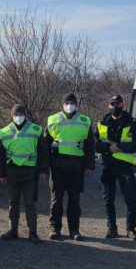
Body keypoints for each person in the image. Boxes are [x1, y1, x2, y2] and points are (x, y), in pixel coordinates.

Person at [0, 104, 49, 245]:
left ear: (25, 115)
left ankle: (33, 233)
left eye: (20, 113)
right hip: (12, 173)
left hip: (29, 173)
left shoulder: (36, 130)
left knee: (29, 203)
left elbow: (44, 152)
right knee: (13, 203)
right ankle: (13, 230)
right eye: (15, 114)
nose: (18, 116)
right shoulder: (4, 132)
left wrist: (44, 170)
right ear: (12, 115)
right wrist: (1, 174)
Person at [45, 93, 95, 241]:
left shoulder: (85, 121)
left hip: (76, 166)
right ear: (62, 104)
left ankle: (74, 230)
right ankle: (55, 228)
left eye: (72, 103)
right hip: (57, 166)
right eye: (67, 103)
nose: (69, 105)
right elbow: (45, 145)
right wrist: (45, 166)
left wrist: (89, 166)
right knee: (56, 200)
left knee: (74, 200)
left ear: (76, 104)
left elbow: (90, 146)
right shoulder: (53, 120)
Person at [94, 95, 136, 241]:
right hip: (107, 166)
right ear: (109, 106)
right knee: (108, 199)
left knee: (131, 199)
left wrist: (120, 147)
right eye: (112, 103)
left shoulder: (133, 123)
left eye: (118, 103)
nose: (115, 106)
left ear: (123, 105)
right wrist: (109, 148)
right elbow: (95, 144)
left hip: (125, 167)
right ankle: (112, 227)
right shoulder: (101, 123)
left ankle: (131, 229)